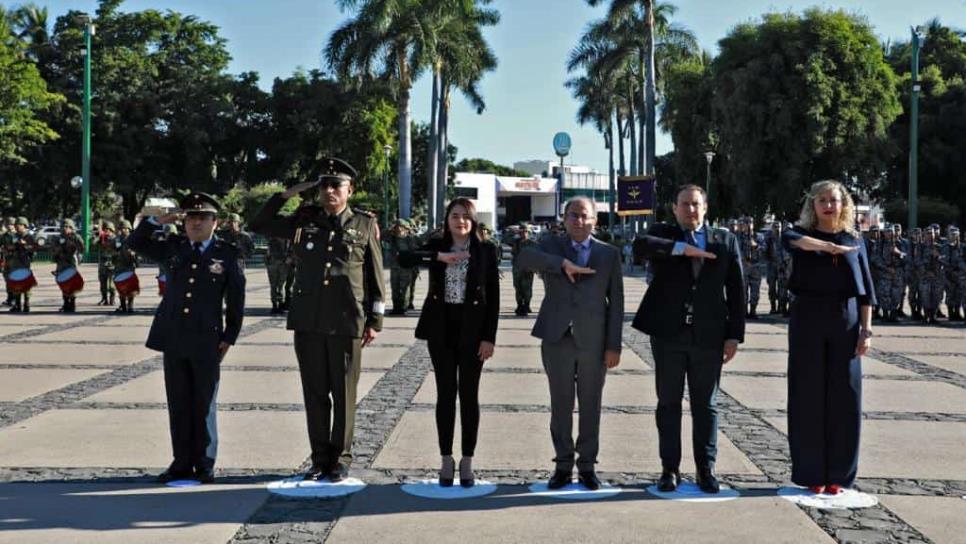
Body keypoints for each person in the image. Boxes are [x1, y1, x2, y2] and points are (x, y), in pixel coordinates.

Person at [250, 158, 385, 483]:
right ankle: (319, 458)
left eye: (335, 185)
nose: (329, 191)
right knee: (314, 392)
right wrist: (287, 194)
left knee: (344, 393)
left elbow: (374, 276)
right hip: (308, 319)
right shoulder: (303, 222)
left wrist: (375, 320)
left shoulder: (364, 225)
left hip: (346, 319)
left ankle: (341, 459)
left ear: (349, 190)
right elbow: (259, 223)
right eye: (324, 185)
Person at [631, 184, 745, 494]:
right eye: (684, 204)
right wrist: (682, 249)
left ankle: (705, 468)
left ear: (705, 208)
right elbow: (640, 246)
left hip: (709, 335)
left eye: (696, 204)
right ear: (675, 208)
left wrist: (734, 335)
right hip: (669, 335)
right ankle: (669, 469)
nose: (690, 210)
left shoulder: (725, 240)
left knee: (705, 405)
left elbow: (736, 290)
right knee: (668, 402)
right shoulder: (664, 234)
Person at [127, 193, 246, 484]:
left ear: (214, 222)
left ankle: (204, 463)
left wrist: (230, 336)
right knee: (179, 401)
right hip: (174, 335)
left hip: (207, 338)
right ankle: (181, 461)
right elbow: (135, 243)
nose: (195, 223)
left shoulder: (227, 253)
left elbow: (236, 299)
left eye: (202, 218)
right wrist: (156, 220)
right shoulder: (174, 247)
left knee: (204, 401)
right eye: (190, 217)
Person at [516, 196, 623, 491]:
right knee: (560, 405)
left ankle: (587, 465)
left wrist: (614, 345)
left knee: (591, 404)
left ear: (595, 221)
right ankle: (563, 464)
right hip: (557, 338)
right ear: (564, 219)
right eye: (572, 215)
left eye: (584, 215)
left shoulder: (608, 253)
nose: (578, 220)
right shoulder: (550, 246)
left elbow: (616, 304)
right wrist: (560, 263)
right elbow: (523, 259)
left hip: (594, 341)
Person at [398, 197, 500, 487]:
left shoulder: (486, 250)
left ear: (474, 220)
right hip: (440, 329)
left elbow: (493, 298)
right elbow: (403, 257)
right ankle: (446, 458)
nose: (460, 221)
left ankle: (467, 459)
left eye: (466, 216)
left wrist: (489, 337)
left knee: (469, 395)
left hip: (473, 329)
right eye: (455, 216)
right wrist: (438, 257)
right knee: (445, 393)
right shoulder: (436, 244)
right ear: (447, 219)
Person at [782, 180, 875, 496]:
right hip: (807, 317)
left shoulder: (855, 241)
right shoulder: (796, 234)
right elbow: (796, 241)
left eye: (833, 200)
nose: (828, 205)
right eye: (821, 200)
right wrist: (828, 247)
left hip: (845, 320)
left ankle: (839, 473)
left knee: (845, 396)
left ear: (843, 204)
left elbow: (866, 293)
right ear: (813, 205)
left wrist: (866, 331)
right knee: (807, 393)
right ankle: (812, 473)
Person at [2, 217, 38, 313]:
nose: (16, 227)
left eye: (19, 225)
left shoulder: (29, 236)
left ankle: (26, 304)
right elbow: (7, 246)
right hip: (14, 263)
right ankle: (17, 305)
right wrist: (11, 247)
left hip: (24, 263)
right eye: (16, 225)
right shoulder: (14, 236)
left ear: (24, 226)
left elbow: (34, 249)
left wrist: (25, 245)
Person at [50, 219, 86, 313]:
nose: (65, 228)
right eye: (63, 226)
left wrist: (74, 244)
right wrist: (58, 249)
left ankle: (72, 303)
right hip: (61, 263)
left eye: (68, 227)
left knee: (72, 283)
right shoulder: (58, 238)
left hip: (71, 263)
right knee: (63, 283)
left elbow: (82, 248)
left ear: (72, 228)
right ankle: (66, 303)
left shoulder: (75, 237)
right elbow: (53, 249)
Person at [386, 219, 418, 315]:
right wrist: (390, 228)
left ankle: (403, 307)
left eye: (401, 227)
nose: (399, 229)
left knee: (405, 288)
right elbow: (382, 236)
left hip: (406, 267)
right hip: (394, 266)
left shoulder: (411, 238)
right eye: (397, 227)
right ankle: (396, 307)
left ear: (405, 228)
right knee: (394, 287)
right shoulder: (392, 237)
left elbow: (417, 250)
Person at [916, 227, 945, 324]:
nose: (930, 235)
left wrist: (938, 256)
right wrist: (925, 271)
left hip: (937, 276)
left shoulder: (940, 247)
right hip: (925, 276)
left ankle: (933, 316)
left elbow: (946, 260)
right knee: (925, 296)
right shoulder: (920, 247)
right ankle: (926, 315)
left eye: (932, 233)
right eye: (928, 233)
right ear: (924, 235)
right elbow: (917, 261)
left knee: (936, 296)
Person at [738, 217, 765, 319]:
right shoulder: (739, 237)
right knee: (743, 291)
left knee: (755, 291)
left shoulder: (759, 236)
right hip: (744, 266)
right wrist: (743, 260)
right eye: (746, 223)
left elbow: (765, 249)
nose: (748, 225)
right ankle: (743, 312)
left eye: (750, 223)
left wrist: (756, 246)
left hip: (756, 267)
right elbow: (736, 250)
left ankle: (753, 311)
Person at [510, 224, 537, 316]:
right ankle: (519, 305)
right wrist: (512, 231)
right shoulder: (515, 242)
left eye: (525, 231)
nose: (524, 233)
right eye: (521, 232)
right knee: (518, 288)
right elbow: (504, 239)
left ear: (529, 232)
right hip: (517, 269)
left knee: (527, 289)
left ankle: (526, 304)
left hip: (528, 269)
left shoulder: (532, 243)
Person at [114, 219, 139, 313]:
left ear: (129, 229)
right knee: (121, 285)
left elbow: (139, 252)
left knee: (130, 286)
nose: (123, 230)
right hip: (119, 265)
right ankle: (123, 305)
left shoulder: (133, 239)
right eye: (122, 228)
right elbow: (112, 249)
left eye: (125, 228)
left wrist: (134, 254)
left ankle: (130, 306)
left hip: (129, 266)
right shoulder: (117, 239)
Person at [265, 236, 291, 314]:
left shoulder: (287, 238)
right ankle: (275, 304)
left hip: (282, 263)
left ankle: (280, 303)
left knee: (280, 285)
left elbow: (291, 248)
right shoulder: (271, 237)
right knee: (274, 285)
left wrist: (289, 258)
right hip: (273, 264)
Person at [95, 221, 118, 306]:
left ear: (112, 230)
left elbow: (119, 249)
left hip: (112, 263)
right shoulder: (102, 238)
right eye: (105, 229)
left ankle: (112, 299)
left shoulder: (116, 239)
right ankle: (104, 299)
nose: (107, 231)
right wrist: (99, 235)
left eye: (109, 229)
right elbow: (93, 243)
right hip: (103, 263)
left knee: (111, 285)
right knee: (102, 283)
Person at [944, 226, 963, 321]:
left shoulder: (961, 247)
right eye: (952, 234)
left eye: (956, 234)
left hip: (959, 275)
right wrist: (950, 271)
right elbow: (943, 259)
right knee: (950, 294)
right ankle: (951, 314)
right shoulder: (945, 246)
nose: (954, 236)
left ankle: (957, 313)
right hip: (948, 274)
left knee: (959, 295)